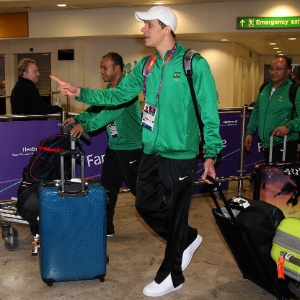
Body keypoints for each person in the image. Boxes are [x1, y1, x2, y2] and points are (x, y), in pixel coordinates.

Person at [50, 6, 223, 297]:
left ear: (166, 28)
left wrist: (211, 153)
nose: (143, 29)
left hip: (180, 152)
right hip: (151, 150)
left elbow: (209, 111)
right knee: (144, 203)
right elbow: (117, 95)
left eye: (149, 24)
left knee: (178, 211)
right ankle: (187, 238)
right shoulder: (145, 66)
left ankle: (172, 274)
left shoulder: (195, 64)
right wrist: (80, 91)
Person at [64, 52, 143, 237]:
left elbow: (109, 114)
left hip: (131, 148)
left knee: (141, 191)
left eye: (104, 67)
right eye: (100, 67)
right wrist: (78, 119)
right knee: (107, 189)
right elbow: (96, 109)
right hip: (115, 147)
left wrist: (86, 126)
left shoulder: (126, 89)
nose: (101, 71)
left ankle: (168, 219)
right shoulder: (110, 88)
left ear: (117, 68)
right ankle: (106, 227)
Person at [245, 55, 300, 163]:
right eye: (271, 68)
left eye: (278, 69)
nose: (273, 72)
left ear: (288, 71)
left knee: (280, 178)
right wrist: (250, 132)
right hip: (267, 143)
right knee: (270, 177)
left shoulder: (295, 90)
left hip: (285, 143)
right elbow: (256, 112)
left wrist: (288, 127)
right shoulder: (264, 88)